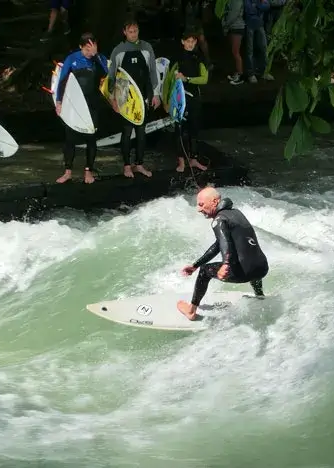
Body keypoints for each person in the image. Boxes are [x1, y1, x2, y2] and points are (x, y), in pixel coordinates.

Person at [177, 186, 269, 321]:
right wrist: (195, 265)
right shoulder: (237, 213)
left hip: (245, 272)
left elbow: (225, 244)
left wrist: (226, 264)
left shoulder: (219, 220)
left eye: (201, 204)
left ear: (214, 202)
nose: (199, 209)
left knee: (204, 271)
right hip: (262, 268)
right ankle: (260, 296)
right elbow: (218, 245)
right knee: (249, 257)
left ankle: (191, 311)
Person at [107, 19, 161, 178]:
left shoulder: (146, 48)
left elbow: (153, 72)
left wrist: (156, 94)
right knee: (127, 132)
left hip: (143, 96)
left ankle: (139, 164)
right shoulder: (119, 50)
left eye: (136, 31)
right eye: (130, 31)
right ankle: (126, 166)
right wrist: (113, 99)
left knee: (141, 132)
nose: (133, 34)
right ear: (124, 32)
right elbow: (111, 77)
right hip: (125, 98)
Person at [55, 32, 108, 184]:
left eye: (93, 47)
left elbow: (107, 73)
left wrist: (96, 56)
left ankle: (88, 171)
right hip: (73, 104)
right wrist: (59, 101)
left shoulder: (99, 59)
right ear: (80, 47)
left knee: (91, 137)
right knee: (69, 139)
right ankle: (68, 171)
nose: (89, 52)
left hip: (92, 103)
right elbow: (63, 80)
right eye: (87, 49)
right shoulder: (72, 58)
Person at [161, 31, 208, 173]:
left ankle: (193, 159)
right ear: (182, 42)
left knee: (194, 129)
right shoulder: (176, 59)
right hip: (179, 99)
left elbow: (204, 79)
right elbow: (168, 81)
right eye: (188, 41)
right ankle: (181, 161)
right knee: (180, 129)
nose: (190, 44)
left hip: (194, 97)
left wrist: (187, 79)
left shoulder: (199, 58)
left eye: (193, 42)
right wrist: (166, 101)